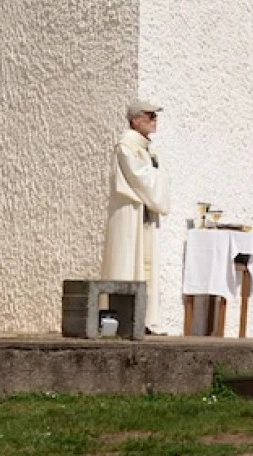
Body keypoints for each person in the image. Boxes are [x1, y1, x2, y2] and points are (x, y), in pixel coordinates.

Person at [101, 100, 170, 334]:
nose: (154, 120)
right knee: (129, 262)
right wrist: (160, 180)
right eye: (150, 116)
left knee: (146, 264)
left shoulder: (145, 147)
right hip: (131, 214)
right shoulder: (127, 146)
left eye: (155, 116)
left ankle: (144, 319)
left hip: (144, 214)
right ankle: (126, 318)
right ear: (135, 120)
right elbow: (140, 177)